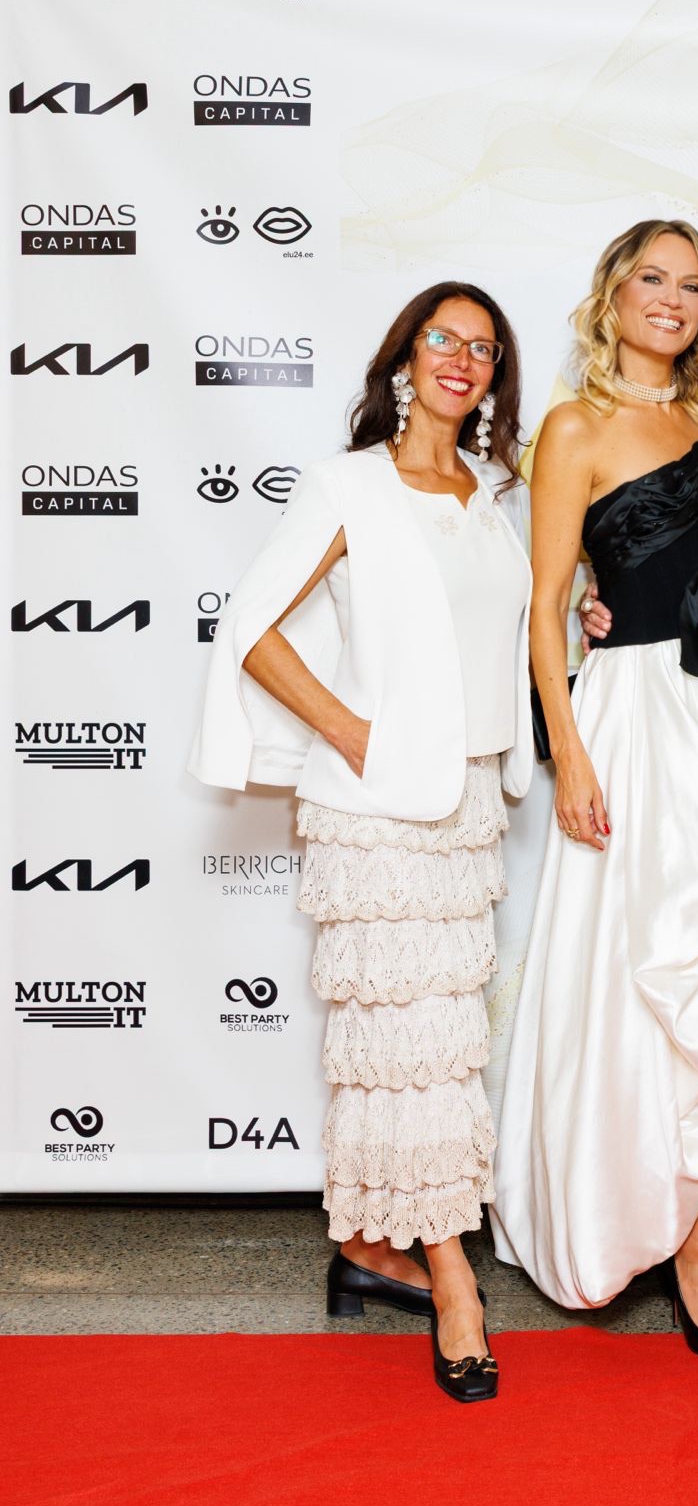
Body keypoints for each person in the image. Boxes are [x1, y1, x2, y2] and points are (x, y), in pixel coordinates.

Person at [189, 282, 533, 1403]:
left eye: (483, 348)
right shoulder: (350, 485)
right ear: (404, 358)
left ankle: (370, 1251)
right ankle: (455, 1284)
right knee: (408, 1043)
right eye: (443, 339)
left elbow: (490, 631)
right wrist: (350, 731)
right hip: (377, 815)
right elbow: (252, 625)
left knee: (430, 1052)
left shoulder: (493, 493)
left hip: (466, 803)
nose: (463, 359)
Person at [489, 220, 698, 1360]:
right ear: (613, 295)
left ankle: (686, 1203)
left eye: (691, 285)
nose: (671, 299)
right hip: (631, 716)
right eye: (651, 279)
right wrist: (571, 751)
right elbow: (545, 605)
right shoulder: (573, 427)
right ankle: (696, 1243)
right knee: (674, 974)